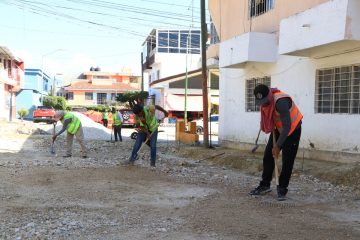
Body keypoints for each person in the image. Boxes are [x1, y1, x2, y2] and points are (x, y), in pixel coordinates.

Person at [249, 84, 302, 201]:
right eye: (260, 101)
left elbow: (287, 126)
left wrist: (278, 146)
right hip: (279, 129)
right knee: (268, 156)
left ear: (269, 95)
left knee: (287, 160)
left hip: (292, 129)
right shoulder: (265, 102)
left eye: (264, 100)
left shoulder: (280, 102)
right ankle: (265, 185)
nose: (263, 103)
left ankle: (282, 188)